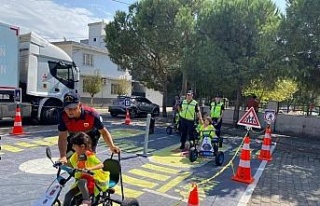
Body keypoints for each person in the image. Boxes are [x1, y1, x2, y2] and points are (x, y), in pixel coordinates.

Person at [58, 91, 120, 163]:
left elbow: (103, 132)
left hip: (90, 136)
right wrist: (63, 156)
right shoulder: (63, 116)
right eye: (67, 108)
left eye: (73, 108)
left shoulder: (92, 114)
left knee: (87, 159)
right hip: (75, 136)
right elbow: (62, 138)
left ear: (80, 105)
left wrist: (112, 146)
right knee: (67, 160)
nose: (70, 111)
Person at [64, 132, 109, 206]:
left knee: (81, 182)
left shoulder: (89, 155)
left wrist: (89, 169)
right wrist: (62, 163)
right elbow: (70, 163)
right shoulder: (75, 155)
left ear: (82, 146)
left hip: (93, 180)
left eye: (74, 145)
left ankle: (87, 200)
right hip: (82, 180)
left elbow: (101, 165)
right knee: (68, 195)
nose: (72, 147)